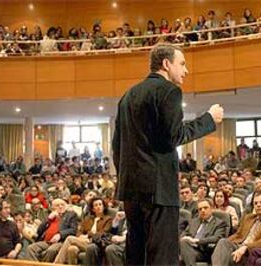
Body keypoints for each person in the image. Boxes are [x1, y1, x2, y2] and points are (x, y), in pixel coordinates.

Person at [112, 43, 224, 266]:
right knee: (162, 256)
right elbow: (175, 136)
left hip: (131, 190)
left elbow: (117, 146)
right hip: (159, 190)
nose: (186, 70)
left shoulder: (128, 95)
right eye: (181, 64)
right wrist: (209, 119)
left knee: (136, 255)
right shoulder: (169, 91)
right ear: (166, 64)